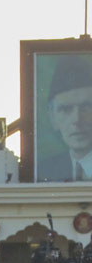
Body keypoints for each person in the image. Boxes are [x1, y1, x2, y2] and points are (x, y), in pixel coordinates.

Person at [36, 54, 92, 182]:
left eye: (86, 108)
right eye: (66, 110)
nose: (77, 120)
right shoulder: (44, 171)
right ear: (53, 118)